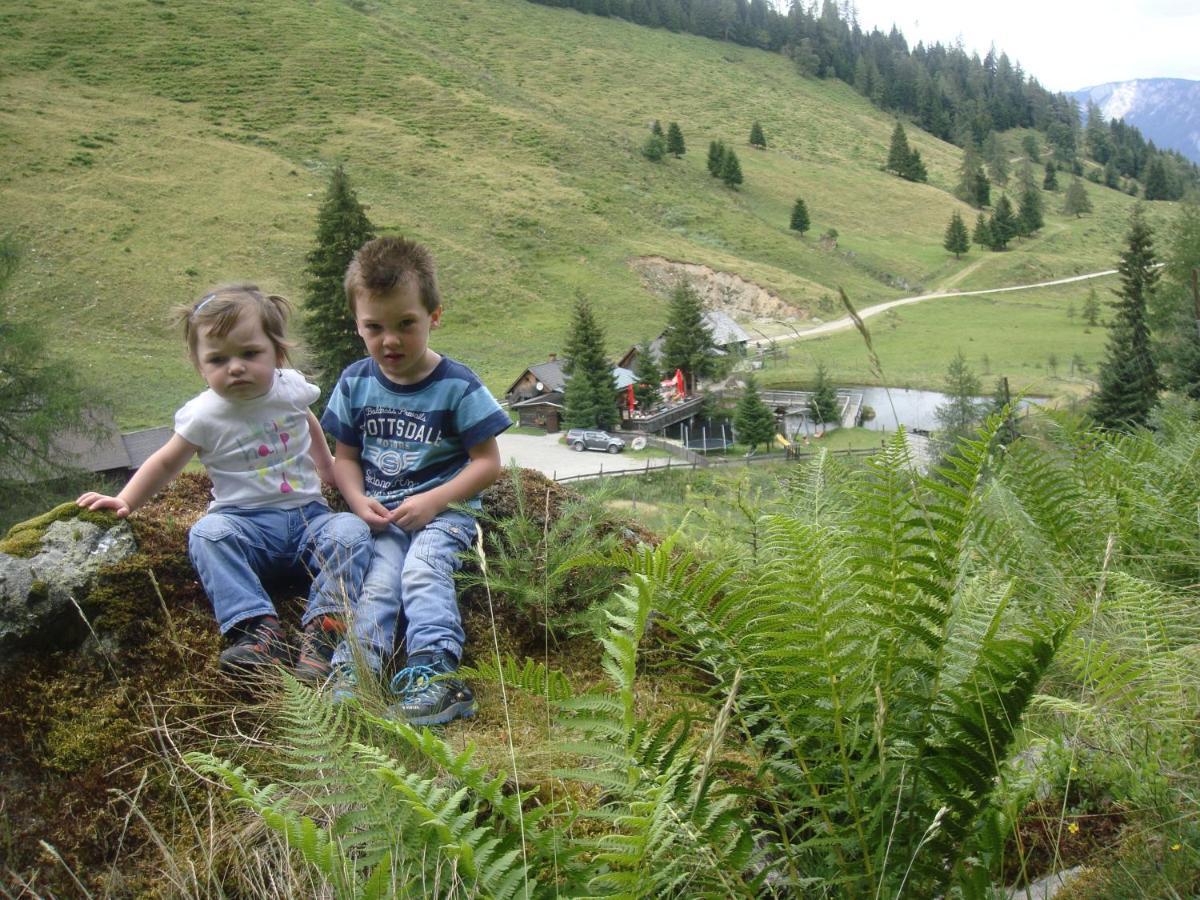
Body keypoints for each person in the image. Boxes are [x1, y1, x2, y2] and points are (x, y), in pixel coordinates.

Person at [76, 285, 372, 682]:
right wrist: (125, 498)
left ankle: (323, 632)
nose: (235, 367)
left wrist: (327, 466)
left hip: (309, 521)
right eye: (218, 359)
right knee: (207, 534)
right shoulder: (203, 415)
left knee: (351, 532)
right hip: (245, 526)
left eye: (250, 354)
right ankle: (255, 628)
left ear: (277, 352)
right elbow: (166, 462)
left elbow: (305, 420)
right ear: (200, 365)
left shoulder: (291, 387)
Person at [321, 236, 509, 725]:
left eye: (406, 323)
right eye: (374, 327)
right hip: (383, 519)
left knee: (422, 571)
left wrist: (435, 501)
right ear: (358, 325)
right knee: (379, 587)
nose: (391, 341)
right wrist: (358, 501)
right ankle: (354, 674)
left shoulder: (458, 384)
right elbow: (345, 457)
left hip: (444, 517)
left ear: (434, 315)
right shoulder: (354, 382)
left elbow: (488, 462)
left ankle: (437, 677)